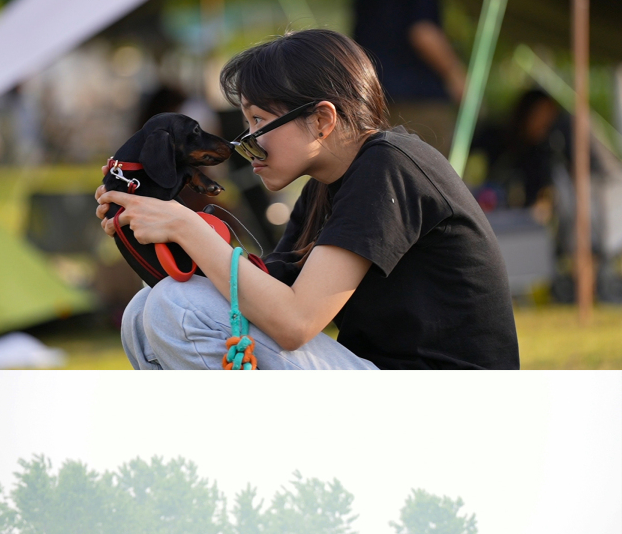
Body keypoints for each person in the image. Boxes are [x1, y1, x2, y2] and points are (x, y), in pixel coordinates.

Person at [101, 28, 519, 370]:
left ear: (321, 119)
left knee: (178, 304)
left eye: (259, 121)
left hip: (449, 406)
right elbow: (262, 291)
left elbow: (294, 322)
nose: (245, 141)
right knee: (144, 311)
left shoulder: (391, 167)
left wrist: (187, 226)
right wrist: (151, 218)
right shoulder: (326, 185)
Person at [352, 0, 467, 154]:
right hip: (419, 104)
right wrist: (456, 75)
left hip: (373, 99)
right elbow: (423, 33)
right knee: (426, 172)